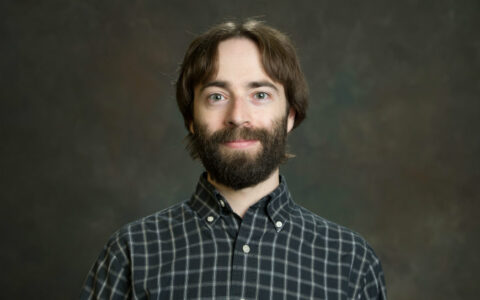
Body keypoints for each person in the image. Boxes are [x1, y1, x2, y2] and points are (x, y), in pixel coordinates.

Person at [81, 19, 387, 299]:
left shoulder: (351, 262)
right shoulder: (131, 253)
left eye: (260, 95)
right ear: (191, 118)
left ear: (290, 115)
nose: (238, 116)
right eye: (217, 96)